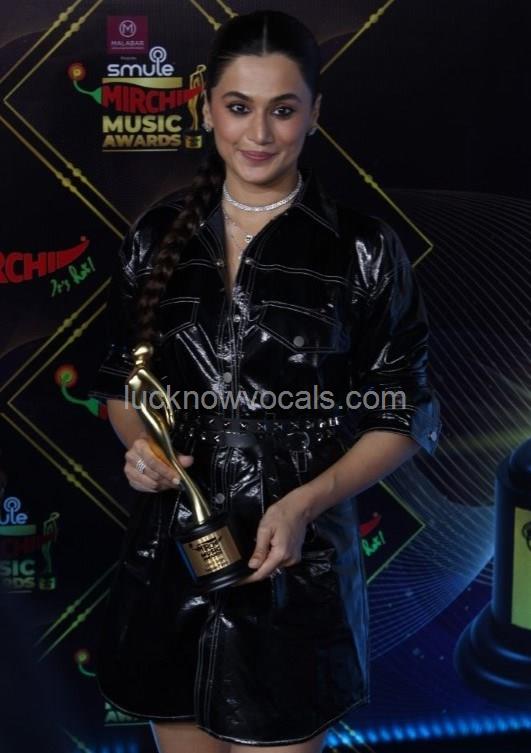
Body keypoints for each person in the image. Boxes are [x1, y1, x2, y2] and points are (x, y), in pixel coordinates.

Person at [88, 9, 441, 753]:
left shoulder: (364, 249)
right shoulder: (154, 237)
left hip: (296, 572)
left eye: (282, 109)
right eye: (238, 107)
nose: (258, 134)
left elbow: (403, 412)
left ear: (314, 114)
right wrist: (143, 451)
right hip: (172, 559)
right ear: (205, 109)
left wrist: (307, 502)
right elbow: (123, 387)